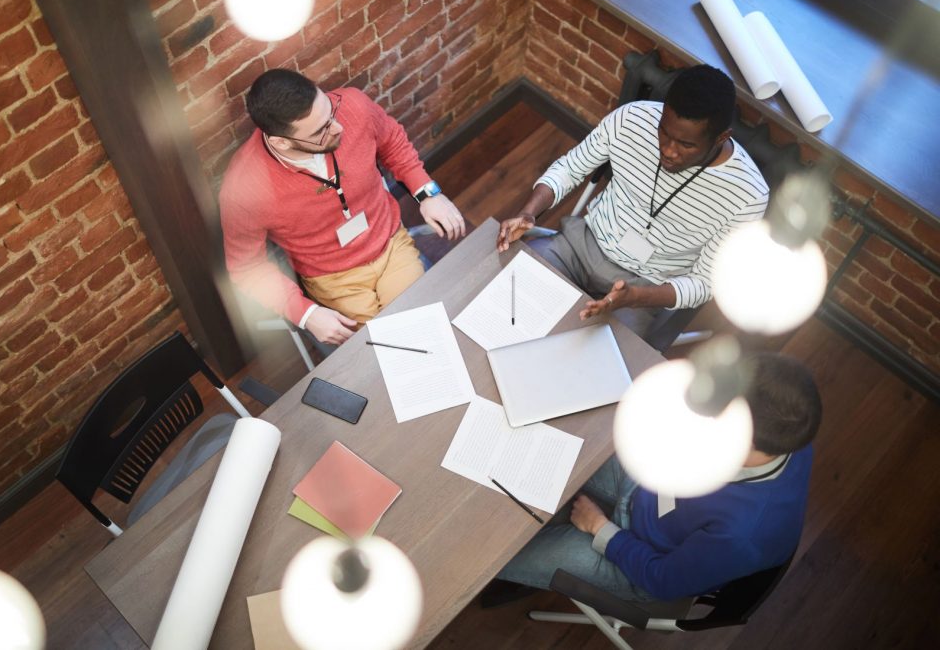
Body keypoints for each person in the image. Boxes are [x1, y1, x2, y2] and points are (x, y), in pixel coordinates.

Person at [485, 352, 822, 605]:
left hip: (645, 562)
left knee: (493, 556)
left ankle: (516, 576)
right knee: (557, 433)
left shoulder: (741, 535)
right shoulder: (785, 432)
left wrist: (600, 528)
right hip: (654, 488)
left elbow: (663, 581)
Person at [496, 65, 769, 338]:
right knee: (509, 303)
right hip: (581, 246)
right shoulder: (631, 119)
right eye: (665, 132)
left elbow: (704, 283)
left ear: (722, 137)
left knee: (595, 367)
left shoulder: (748, 195)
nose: (668, 150)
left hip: (647, 287)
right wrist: (529, 212)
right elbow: (570, 168)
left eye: (686, 145)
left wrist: (637, 296)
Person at [220, 69, 466, 345]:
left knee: (422, 328)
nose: (339, 127)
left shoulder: (352, 105)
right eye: (321, 130)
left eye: (330, 111)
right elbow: (247, 268)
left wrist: (427, 192)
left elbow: (392, 140)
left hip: (390, 244)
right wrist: (306, 314)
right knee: (390, 348)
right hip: (334, 279)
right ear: (281, 142)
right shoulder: (243, 188)